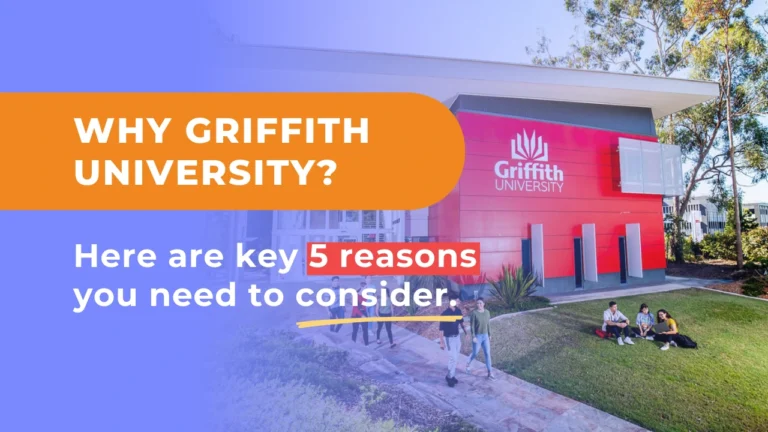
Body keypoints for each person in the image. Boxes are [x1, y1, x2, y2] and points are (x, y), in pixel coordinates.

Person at [439, 295, 467, 387]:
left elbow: (461, 322)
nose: (459, 302)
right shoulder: (444, 314)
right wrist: (442, 342)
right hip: (449, 339)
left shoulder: (458, 311)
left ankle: (452, 375)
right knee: (452, 358)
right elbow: (441, 330)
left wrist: (466, 332)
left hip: (457, 337)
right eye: (457, 301)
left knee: (455, 358)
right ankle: (449, 377)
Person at [465, 298, 495, 380]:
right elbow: (472, 326)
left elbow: (488, 324)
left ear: (484, 304)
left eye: (481, 303)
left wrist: (489, 334)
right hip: (477, 336)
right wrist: (473, 336)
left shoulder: (487, 312)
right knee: (475, 353)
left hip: (485, 336)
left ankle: (490, 372)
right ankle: (468, 363)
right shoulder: (474, 313)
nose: (479, 305)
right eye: (477, 303)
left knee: (487, 354)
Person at [351, 281, 369, 346]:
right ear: (361, 288)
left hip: (363, 313)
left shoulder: (365, 296)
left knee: (365, 330)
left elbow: (364, 306)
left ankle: (367, 345)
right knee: (355, 331)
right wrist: (362, 315)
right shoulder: (355, 296)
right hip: (355, 314)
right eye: (365, 288)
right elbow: (355, 308)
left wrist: (365, 314)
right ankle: (352, 345)